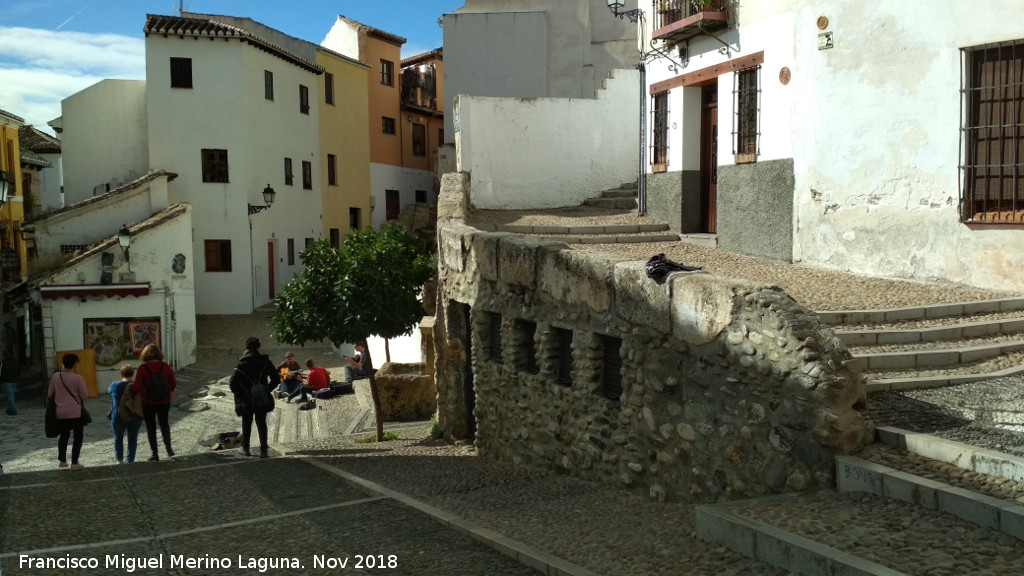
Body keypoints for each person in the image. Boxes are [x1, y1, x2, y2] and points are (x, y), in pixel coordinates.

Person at [230, 336, 280, 458]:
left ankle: (245, 448)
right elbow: (276, 378)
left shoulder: (242, 363)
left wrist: (240, 394)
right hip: (261, 398)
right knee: (261, 422)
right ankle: (264, 449)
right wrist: (267, 389)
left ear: (247, 347)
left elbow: (233, 383)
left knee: (246, 423)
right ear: (258, 347)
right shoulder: (265, 361)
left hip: (247, 399)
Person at [131, 344, 177, 461]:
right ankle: (169, 449)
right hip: (165, 401)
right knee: (164, 424)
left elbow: (136, 387)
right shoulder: (165, 366)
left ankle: (154, 453)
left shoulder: (143, 368)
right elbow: (174, 382)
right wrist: (167, 391)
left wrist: (140, 391)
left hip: (148, 402)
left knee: (151, 427)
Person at [47, 353, 89, 470]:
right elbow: (84, 395)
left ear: (63, 363)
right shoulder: (78, 378)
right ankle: (74, 462)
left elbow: (50, 393)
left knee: (64, 436)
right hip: (75, 412)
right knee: (78, 436)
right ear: (75, 364)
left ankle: (62, 461)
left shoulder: (56, 376)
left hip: (60, 412)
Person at [108, 364, 143, 464]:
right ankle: (130, 460)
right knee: (132, 438)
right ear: (133, 374)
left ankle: (119, 459)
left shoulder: (114, 385)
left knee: (118, 437)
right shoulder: (137, 386)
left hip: (118, 416)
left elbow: (109, 392)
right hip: (134, 416)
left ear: (121, 374)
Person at [2, 347, 18, 416]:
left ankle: (12, 410)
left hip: (7, 381)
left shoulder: (3, 363)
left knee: (10, 395)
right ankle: (9, 408)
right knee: (11, 395)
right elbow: (19, 370)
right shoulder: (15, 361)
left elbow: (1, 373)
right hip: (14, 380)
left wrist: (1, 380)